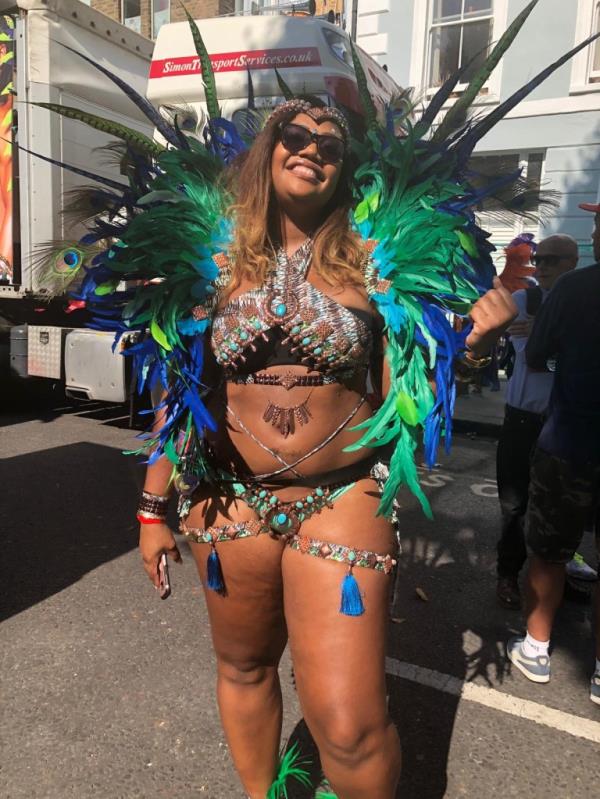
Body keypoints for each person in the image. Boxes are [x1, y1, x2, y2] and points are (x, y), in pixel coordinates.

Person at [36, 9, 598, 796]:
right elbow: (181, 392)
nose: (311, 151)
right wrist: (152, 507)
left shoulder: (376, 260)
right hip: (228, 500)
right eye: (294, 139)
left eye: (329, 147)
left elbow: (417, 376)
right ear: (266, 156)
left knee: (349, 719)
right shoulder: (212, 259)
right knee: (242, 667)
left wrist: (475, 334)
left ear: (344, 166)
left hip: (341, 498)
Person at [507, 202, 600, 705]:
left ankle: (537, 646)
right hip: (566, 436)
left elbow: (539, 353)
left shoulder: (574, 289)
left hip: (570, 442)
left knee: (547, 551)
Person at [495, 234, 578, 608]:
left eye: (550, 260)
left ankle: (555, 581)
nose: (540, 267)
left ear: (571, 264)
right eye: (537, 259)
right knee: (514, 504)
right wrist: (560, 337)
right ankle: (508, 576)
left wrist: (547, 332)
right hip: (523, 420)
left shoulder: (581, 303)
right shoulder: (524, 299)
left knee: (560, 509)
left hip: (562, 420)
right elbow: (536, 359)